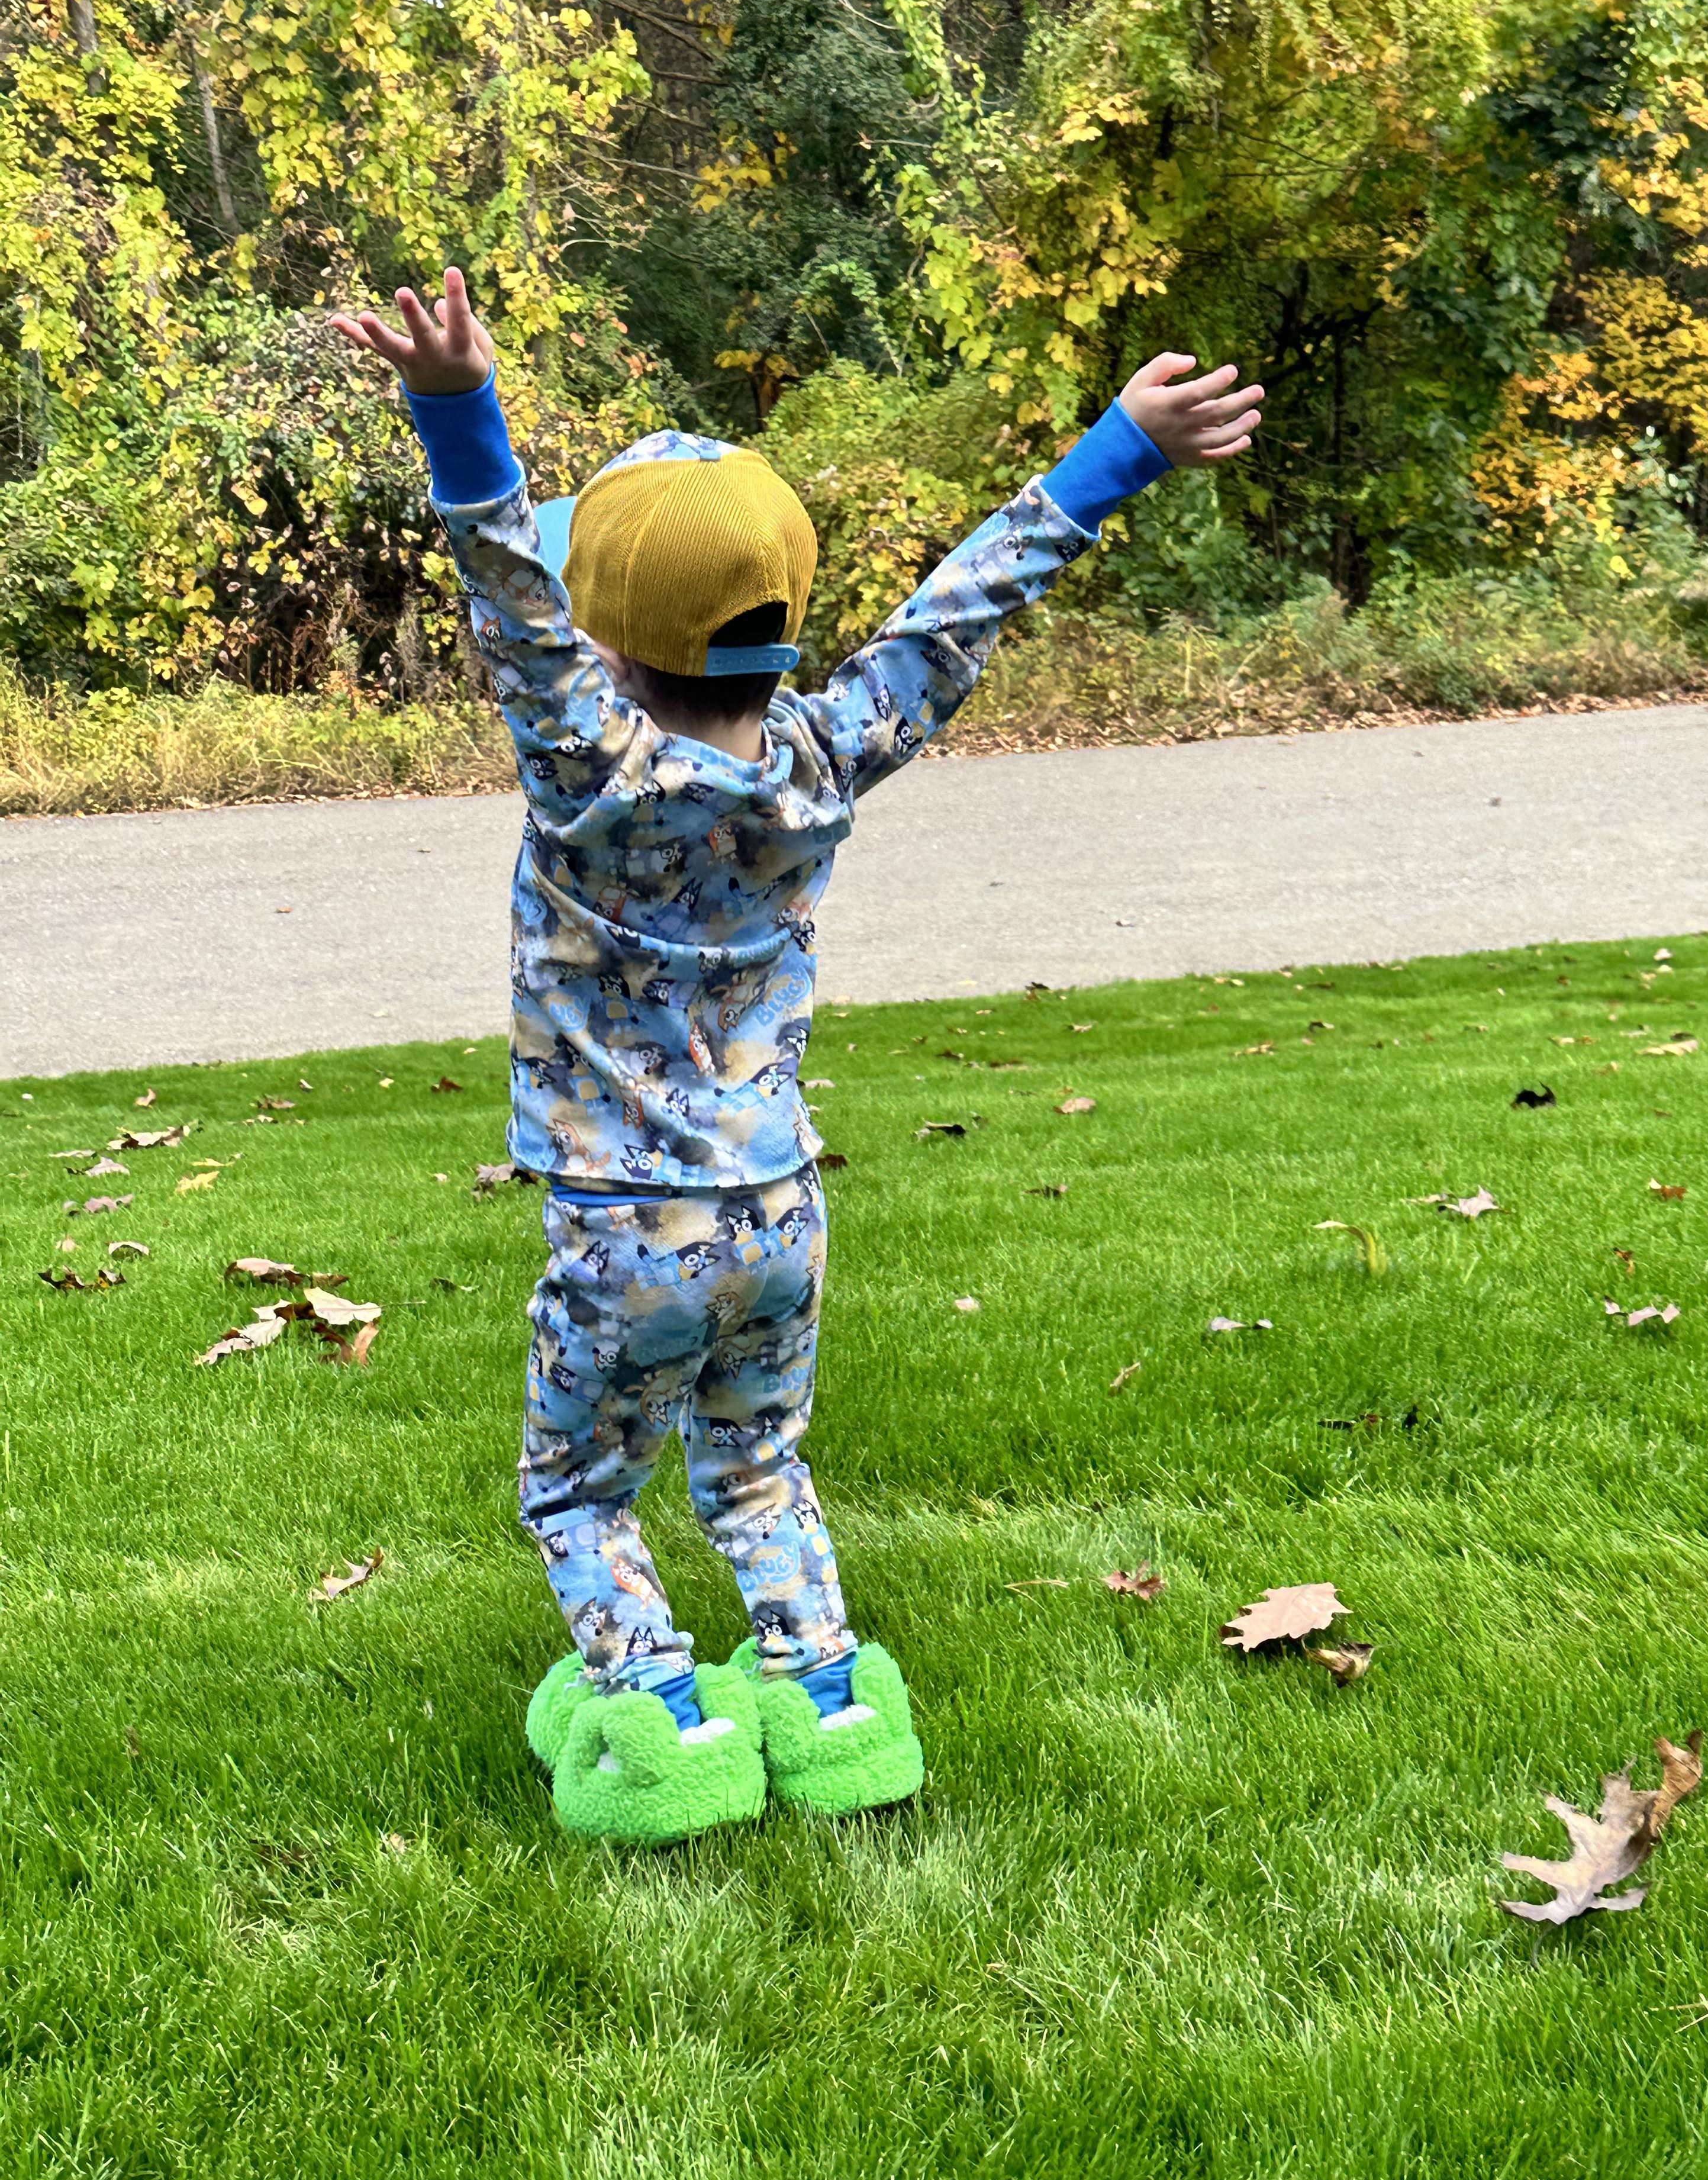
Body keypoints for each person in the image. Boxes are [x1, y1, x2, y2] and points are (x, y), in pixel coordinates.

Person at [331, 267, 1264, 1846]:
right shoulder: (830, 753)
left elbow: (501, 574)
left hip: (630, 1227)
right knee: (757, 1472)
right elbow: (966, 606)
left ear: (603, 638)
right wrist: (1124, 446)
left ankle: (670, 1729)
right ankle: (835, 1715)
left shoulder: (590, 769)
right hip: (781, 1211)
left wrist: (453, 402)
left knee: (576, 1493)